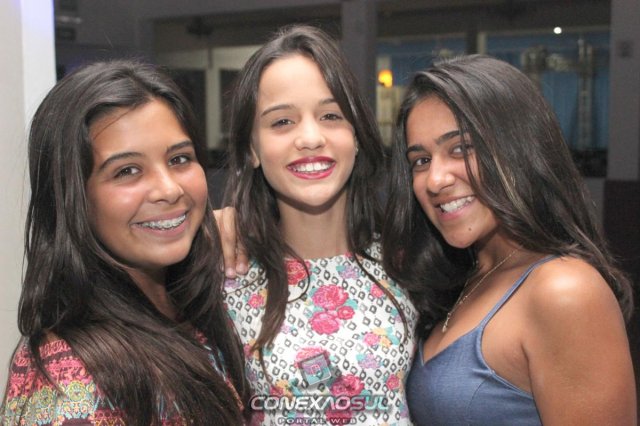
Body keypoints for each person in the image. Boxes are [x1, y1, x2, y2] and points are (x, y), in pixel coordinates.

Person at [382, 54, 636, 425]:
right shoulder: (466, 276)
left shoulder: (564, 290)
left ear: (518, 151)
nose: (435, 180)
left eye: (460, 148)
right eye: (420, 160)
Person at [1, 60, 250, 425]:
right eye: (127, 171)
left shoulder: (185, 308)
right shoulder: (71, 381)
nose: (169, 189)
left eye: (179, 159)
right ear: (72, 198)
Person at [222, 25, 417, 425]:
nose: (310, 138)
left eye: (330, 116)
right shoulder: (225, 275)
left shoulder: (409, 263)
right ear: (252, 149)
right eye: (282, 122)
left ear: (356, 136)